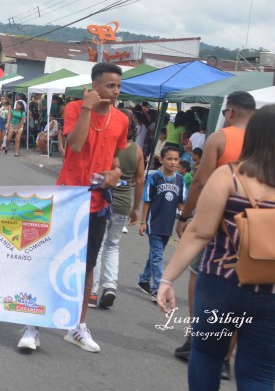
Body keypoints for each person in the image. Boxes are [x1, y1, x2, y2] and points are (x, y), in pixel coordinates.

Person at [156, 104, 275, 389]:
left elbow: (198, 233)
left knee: (207, 355)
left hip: (224, 286)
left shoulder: (229, 176)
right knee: (259, 374)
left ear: (252, 134)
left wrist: (168, 278)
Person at [18, 62, 128, 354]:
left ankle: (77, 326)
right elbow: (75, 146)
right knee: (50, 260)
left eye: (118, 86)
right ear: (94, 86)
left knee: (87, 266)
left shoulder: (121, 120)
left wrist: (115, 175)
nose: (116, 91)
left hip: (98, 203)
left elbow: (117, 161)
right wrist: (88, 110)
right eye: (110, 85)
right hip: (68, 198)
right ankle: (33, 325)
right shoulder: (75, 109)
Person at [172, 90, 256, 360]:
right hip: (254, 224)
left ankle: (198, 336)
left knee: (199, 275)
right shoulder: (264, 140)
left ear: (230, 112)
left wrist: (184, 216)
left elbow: (199, 181)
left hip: (217, 219)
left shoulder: (221, 138)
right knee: (240, 284)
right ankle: (226, 356)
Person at [90, 109, 144, 309]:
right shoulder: (137, 151)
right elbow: (140, 180)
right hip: (123, 204)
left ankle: (92, 292)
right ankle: (110, 286)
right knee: (113, 245)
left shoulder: (111, 145)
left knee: (99, 245)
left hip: (104, 201)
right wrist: (136, 208)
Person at [137, 145, 185, 300]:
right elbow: (147, 201)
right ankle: (157, 288)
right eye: (169, 159)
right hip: (154, 223)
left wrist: (186, 218)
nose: (173, 162)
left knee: (156, 254)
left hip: (168, 224)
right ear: (161, 159)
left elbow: (181, 203)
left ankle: (144, 279)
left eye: (176, 159)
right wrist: (143, 222)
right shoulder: (154, 178)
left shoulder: (180, 180)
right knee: (158, 256)